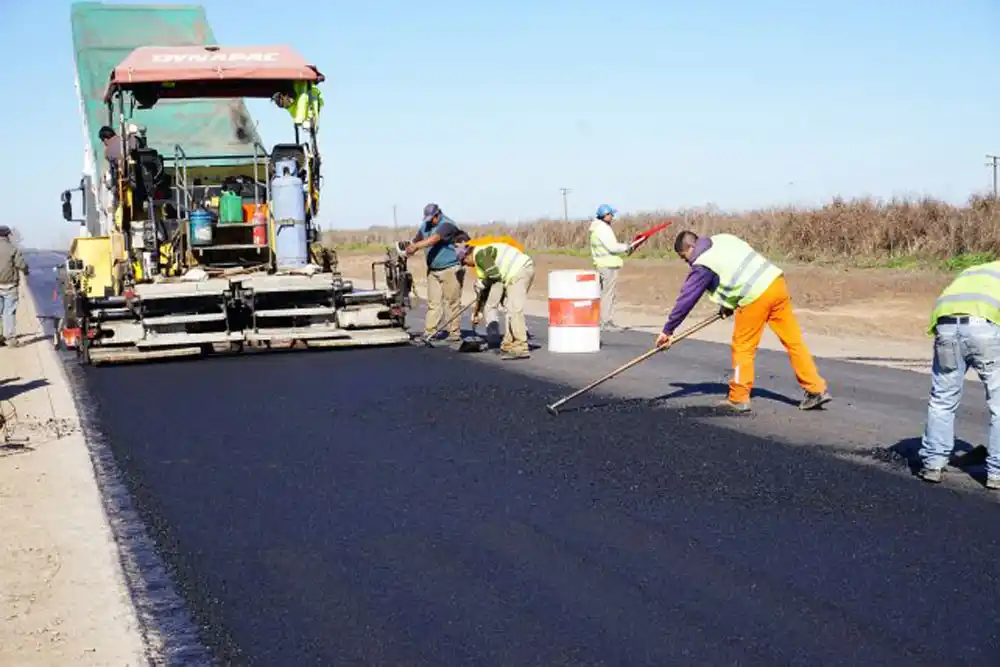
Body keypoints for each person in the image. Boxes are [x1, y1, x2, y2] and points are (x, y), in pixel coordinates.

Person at [657, 230, 832, 412]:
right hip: (776, 284)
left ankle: (739, 397)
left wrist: (668, 330)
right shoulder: (723, 239)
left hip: (754, 298)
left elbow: (687, 299)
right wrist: (729, 304)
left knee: (743, 347)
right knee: (794, 342)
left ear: (691, 247)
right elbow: (736, 269)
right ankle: (816, 389)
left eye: (684, 256)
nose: (686, 261)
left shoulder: (703, 264)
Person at [917, 261, 1000, 489]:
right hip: (983, 328)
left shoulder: (974, 270)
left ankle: (933, 464)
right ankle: (996, 472)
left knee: (942, 399)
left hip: (945, 326)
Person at [459, 239, 535, 360]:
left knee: (514, 309)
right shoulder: (481, 258)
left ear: (467, 255)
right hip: (514, 273)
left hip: (520, 269)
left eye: (464, 262)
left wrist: (483, 283)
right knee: (510, 308)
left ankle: (521, 346)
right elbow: (486, 289)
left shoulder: (480, 255)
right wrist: (478, 311)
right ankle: (509, 343)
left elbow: (494, 276)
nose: (467, 265)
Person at [405, 203, 466, 341]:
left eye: (432, 218)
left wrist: (417, 246)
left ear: (437, 215)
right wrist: (409, 247)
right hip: (433, 270)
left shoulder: (447, 224)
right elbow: (417, 239)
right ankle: (430, 331)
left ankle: (454, 333)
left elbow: (434, 239)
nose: (430, 221)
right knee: (434, 303)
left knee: (451, 302)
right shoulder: (425, 225)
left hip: (450, 268)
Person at [589, 204, 632, 331]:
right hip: (607, 265)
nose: (612, 217)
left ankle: (601, 320)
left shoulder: (596, 228)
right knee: (608, 294)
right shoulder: (603, 229)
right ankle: (606, 321)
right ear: (605, 215)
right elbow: (612, 247)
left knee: (604, 293)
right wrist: (626, 247)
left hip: (602, 264)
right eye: (610, 214)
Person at [0, 226, 29, 347]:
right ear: (7, 235)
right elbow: (21, 265)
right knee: (9, 312)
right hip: (10, 285)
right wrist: (26, 271)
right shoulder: (12, 249)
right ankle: (11, 339)